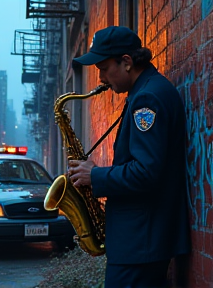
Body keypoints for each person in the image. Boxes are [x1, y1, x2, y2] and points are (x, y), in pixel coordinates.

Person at [68, 26, 191, 288]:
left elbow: (146, 172)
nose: (101, 78)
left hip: (140, 244)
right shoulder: (145, 91)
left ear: (126, 62)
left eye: (103, 68)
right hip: (140, 242)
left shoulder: (147, 99)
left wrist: (95, 175)